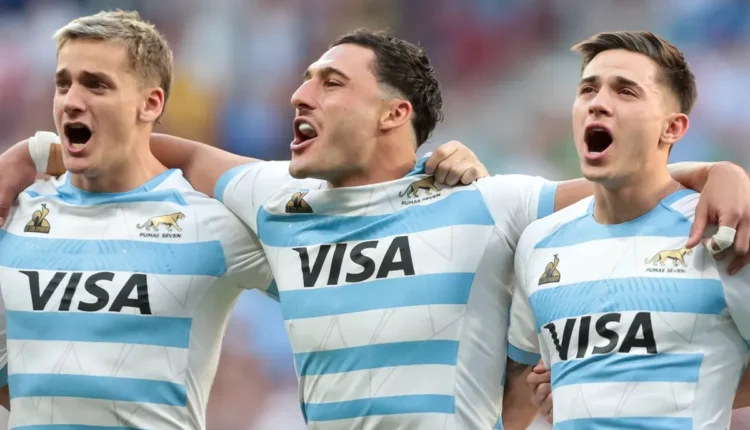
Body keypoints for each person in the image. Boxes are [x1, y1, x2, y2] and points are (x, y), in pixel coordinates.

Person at [3, 28, 750, 429]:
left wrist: (720, 173)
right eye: (305, 80)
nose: (300, 94)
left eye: (330, 83)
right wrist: (34, 153)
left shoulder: (489, 204)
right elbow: (176, 149)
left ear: (395, 114)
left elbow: (627, 182)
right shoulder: (276, 200)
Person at [508, 31, 750, 429]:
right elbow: (529, 384)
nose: (598, 103)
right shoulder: (538, 243)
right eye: (588, 89)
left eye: (626, 91)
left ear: (672, 128)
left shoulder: (721, 229)